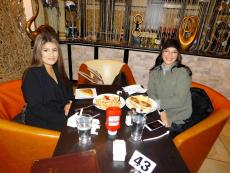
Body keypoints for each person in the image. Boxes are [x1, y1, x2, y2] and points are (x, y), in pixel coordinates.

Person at [22, 32, 73, 131]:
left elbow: (68, 91)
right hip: (41, 122)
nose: (51, 54)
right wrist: (66, 120)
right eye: (46, 50)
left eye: (54, 50)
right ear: (39, 52)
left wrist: (69, 103)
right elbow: (37, 109)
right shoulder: (32, 74)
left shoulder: (56, 69)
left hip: (59, 114)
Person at [147, 39, 192, 137]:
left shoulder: (183, 73)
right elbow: (151, 92)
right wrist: (162, 111)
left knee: (152, 136)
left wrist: (160, 110)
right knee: (137, 122)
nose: (170, 55)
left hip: (177, 117)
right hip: (159, 112)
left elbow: (179, 100)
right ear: (162, 52)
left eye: (174, 52)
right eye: (167, 51)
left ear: (178, 55)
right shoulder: (155, 71)